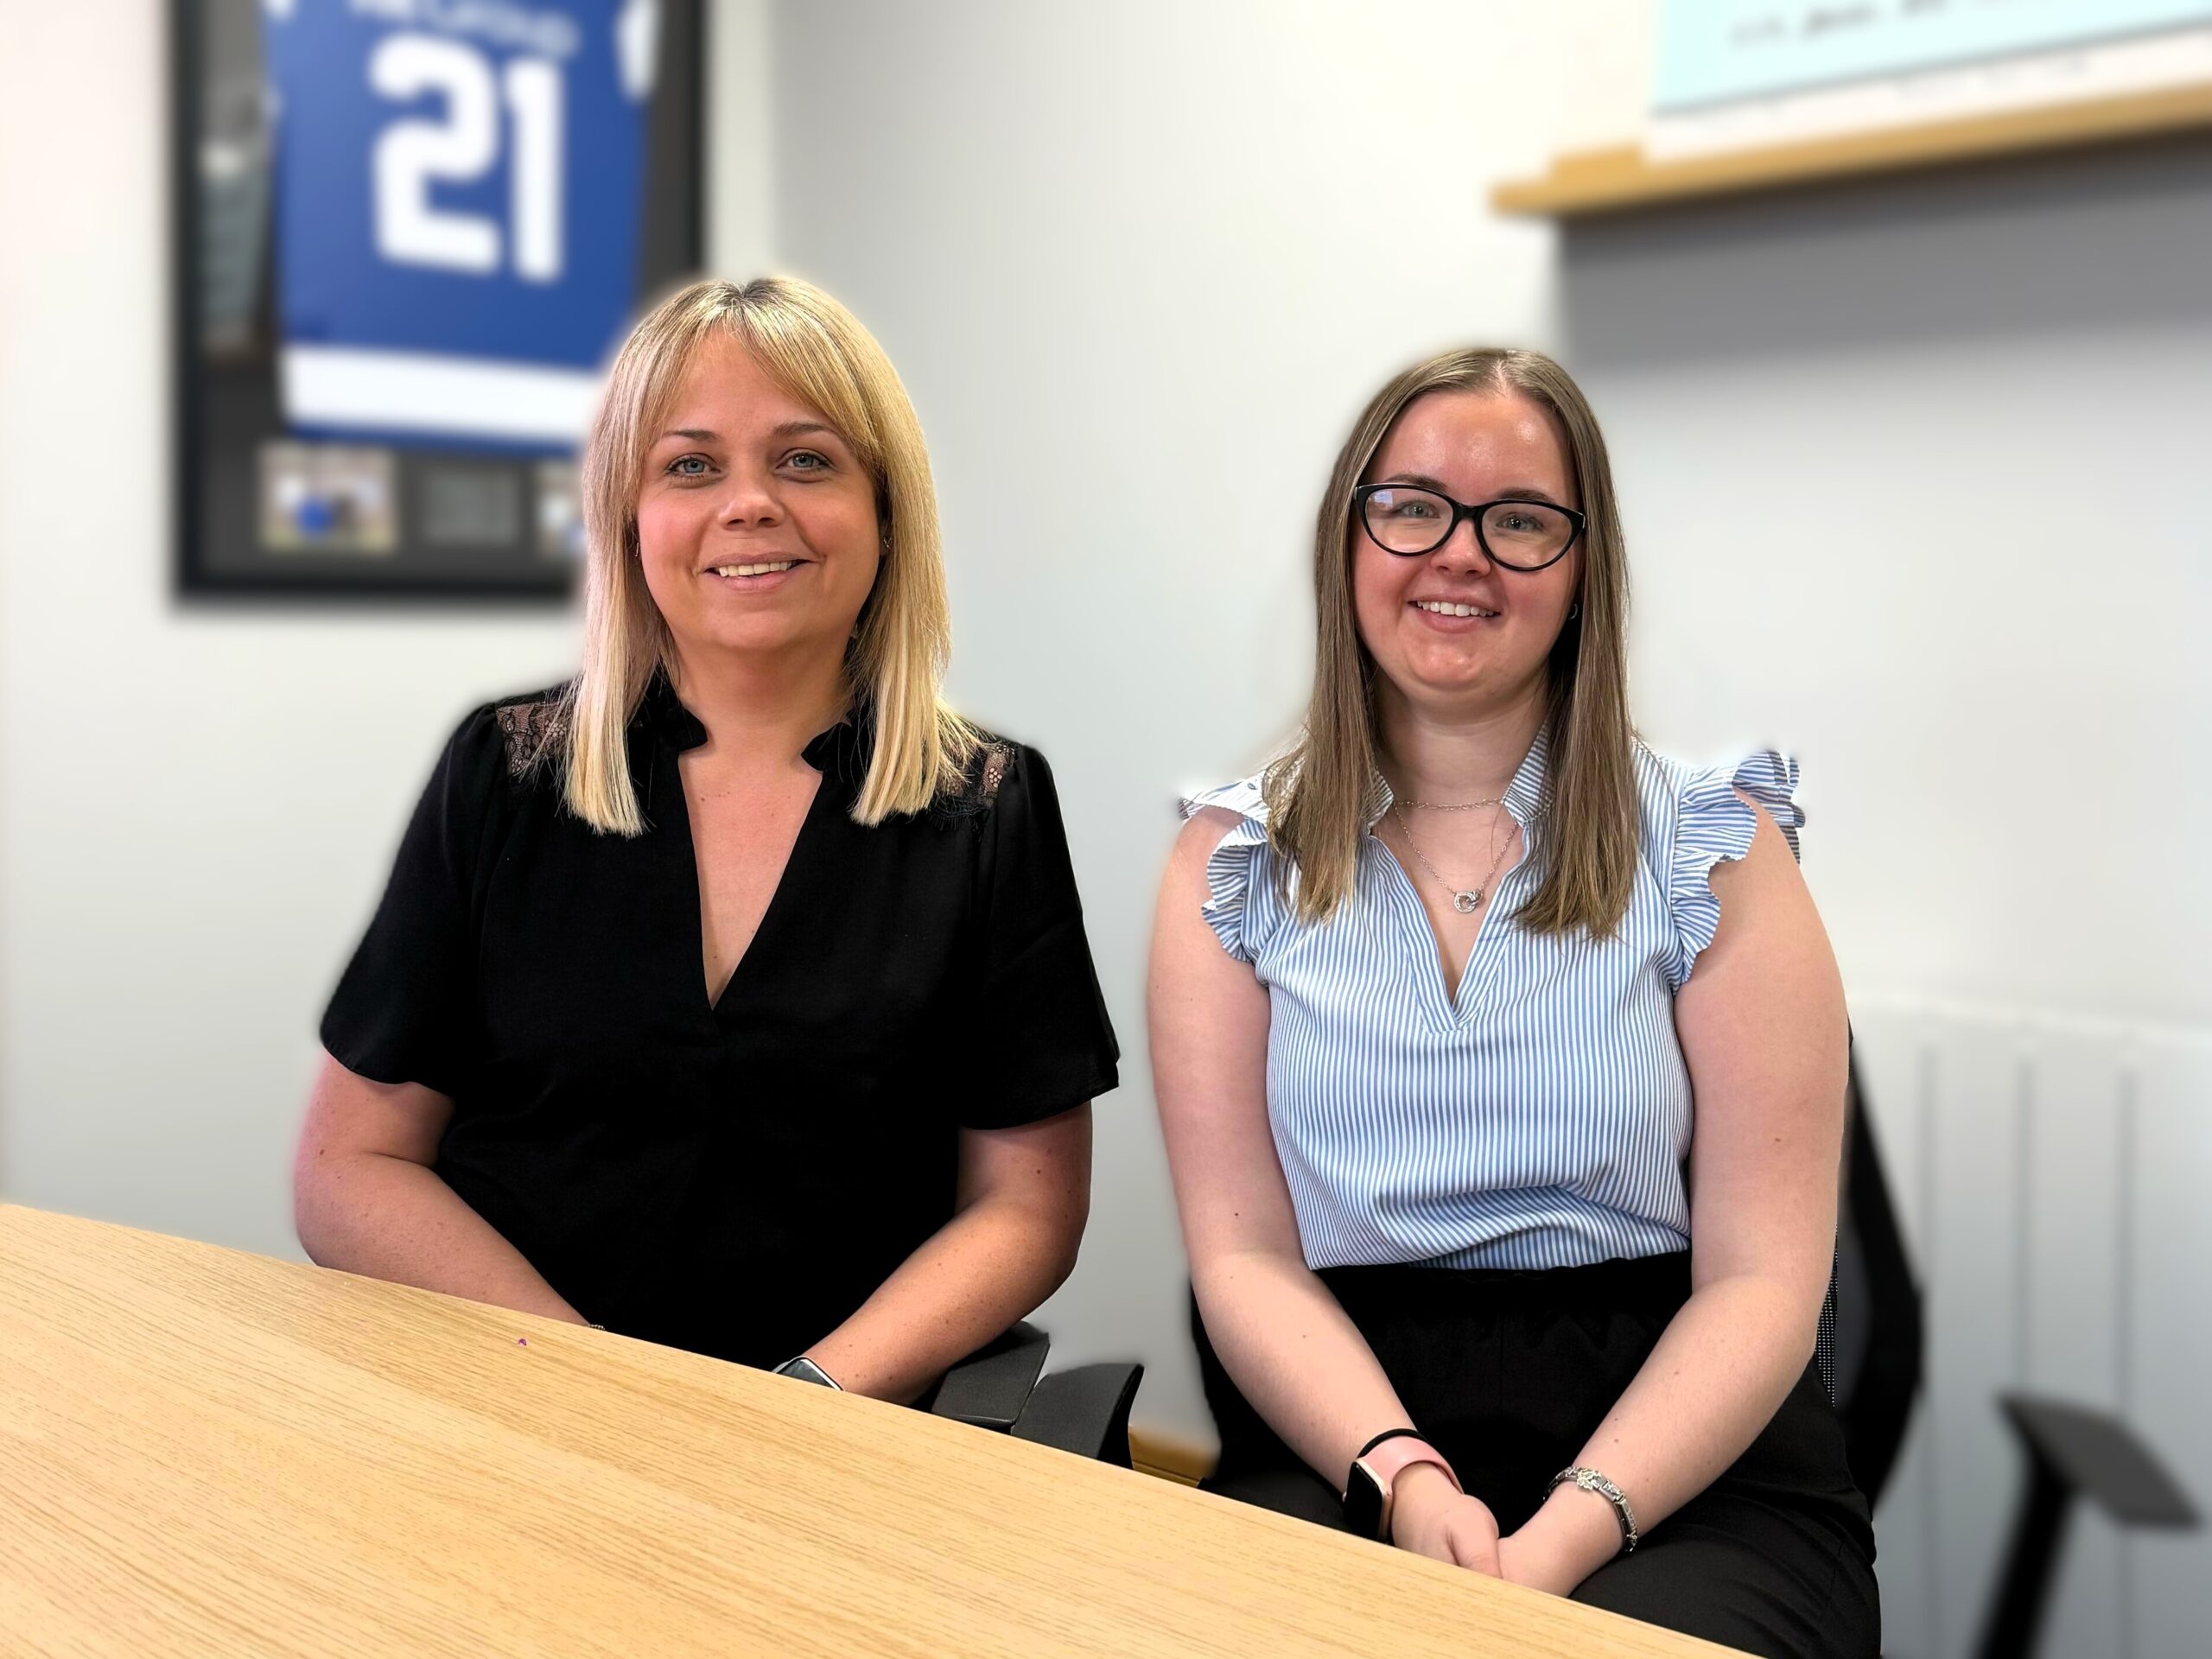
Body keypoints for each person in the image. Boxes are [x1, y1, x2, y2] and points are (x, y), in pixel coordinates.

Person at [1148, 346, 1877, 1656]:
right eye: (1413, 506)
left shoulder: (1713, 847)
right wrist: (1404, 1476)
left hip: (1679, 1461)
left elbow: (1768, 1281)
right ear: (1351, 539)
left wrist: (1565, 1532)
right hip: (1343, 1439)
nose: (1461, 554)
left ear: (1583, 566)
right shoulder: (1233, 863)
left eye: (1521, 521)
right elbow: (1244, 1256)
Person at [296, 277, 1117, 1403]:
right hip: (515, 1402)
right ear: (627, 517)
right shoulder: (508, 770)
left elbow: (1025, 1207)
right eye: (690, 466)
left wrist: (804, 1402)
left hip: (836, 1438)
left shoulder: (987, 804)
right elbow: (351, 1165)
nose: (750, 504)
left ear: (886, 509)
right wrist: (592, 1385)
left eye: (806, 459)